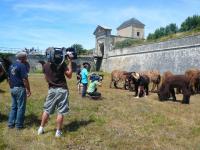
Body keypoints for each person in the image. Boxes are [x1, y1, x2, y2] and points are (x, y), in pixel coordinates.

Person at [37, 51, 72, 137]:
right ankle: (58, 132)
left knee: (47, 110)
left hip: (51, 90)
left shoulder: (45, 65)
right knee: (60, 111)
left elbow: (46, 79)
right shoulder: (62, 64)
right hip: (62, 90)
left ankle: (41, 128)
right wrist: (70, 62)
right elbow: (69, 75)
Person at [7, 52, 31, 129]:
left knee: (14, 107)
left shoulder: (11, 65)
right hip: (20, 88)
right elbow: (25, 79)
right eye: (26, 57)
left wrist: (11, 87)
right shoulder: (22, 66)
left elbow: (9, 78)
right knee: (21, 107)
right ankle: (19, 125)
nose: (27, 59)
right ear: (22, 58)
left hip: (13, 88)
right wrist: (28, 89)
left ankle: (11, 124)